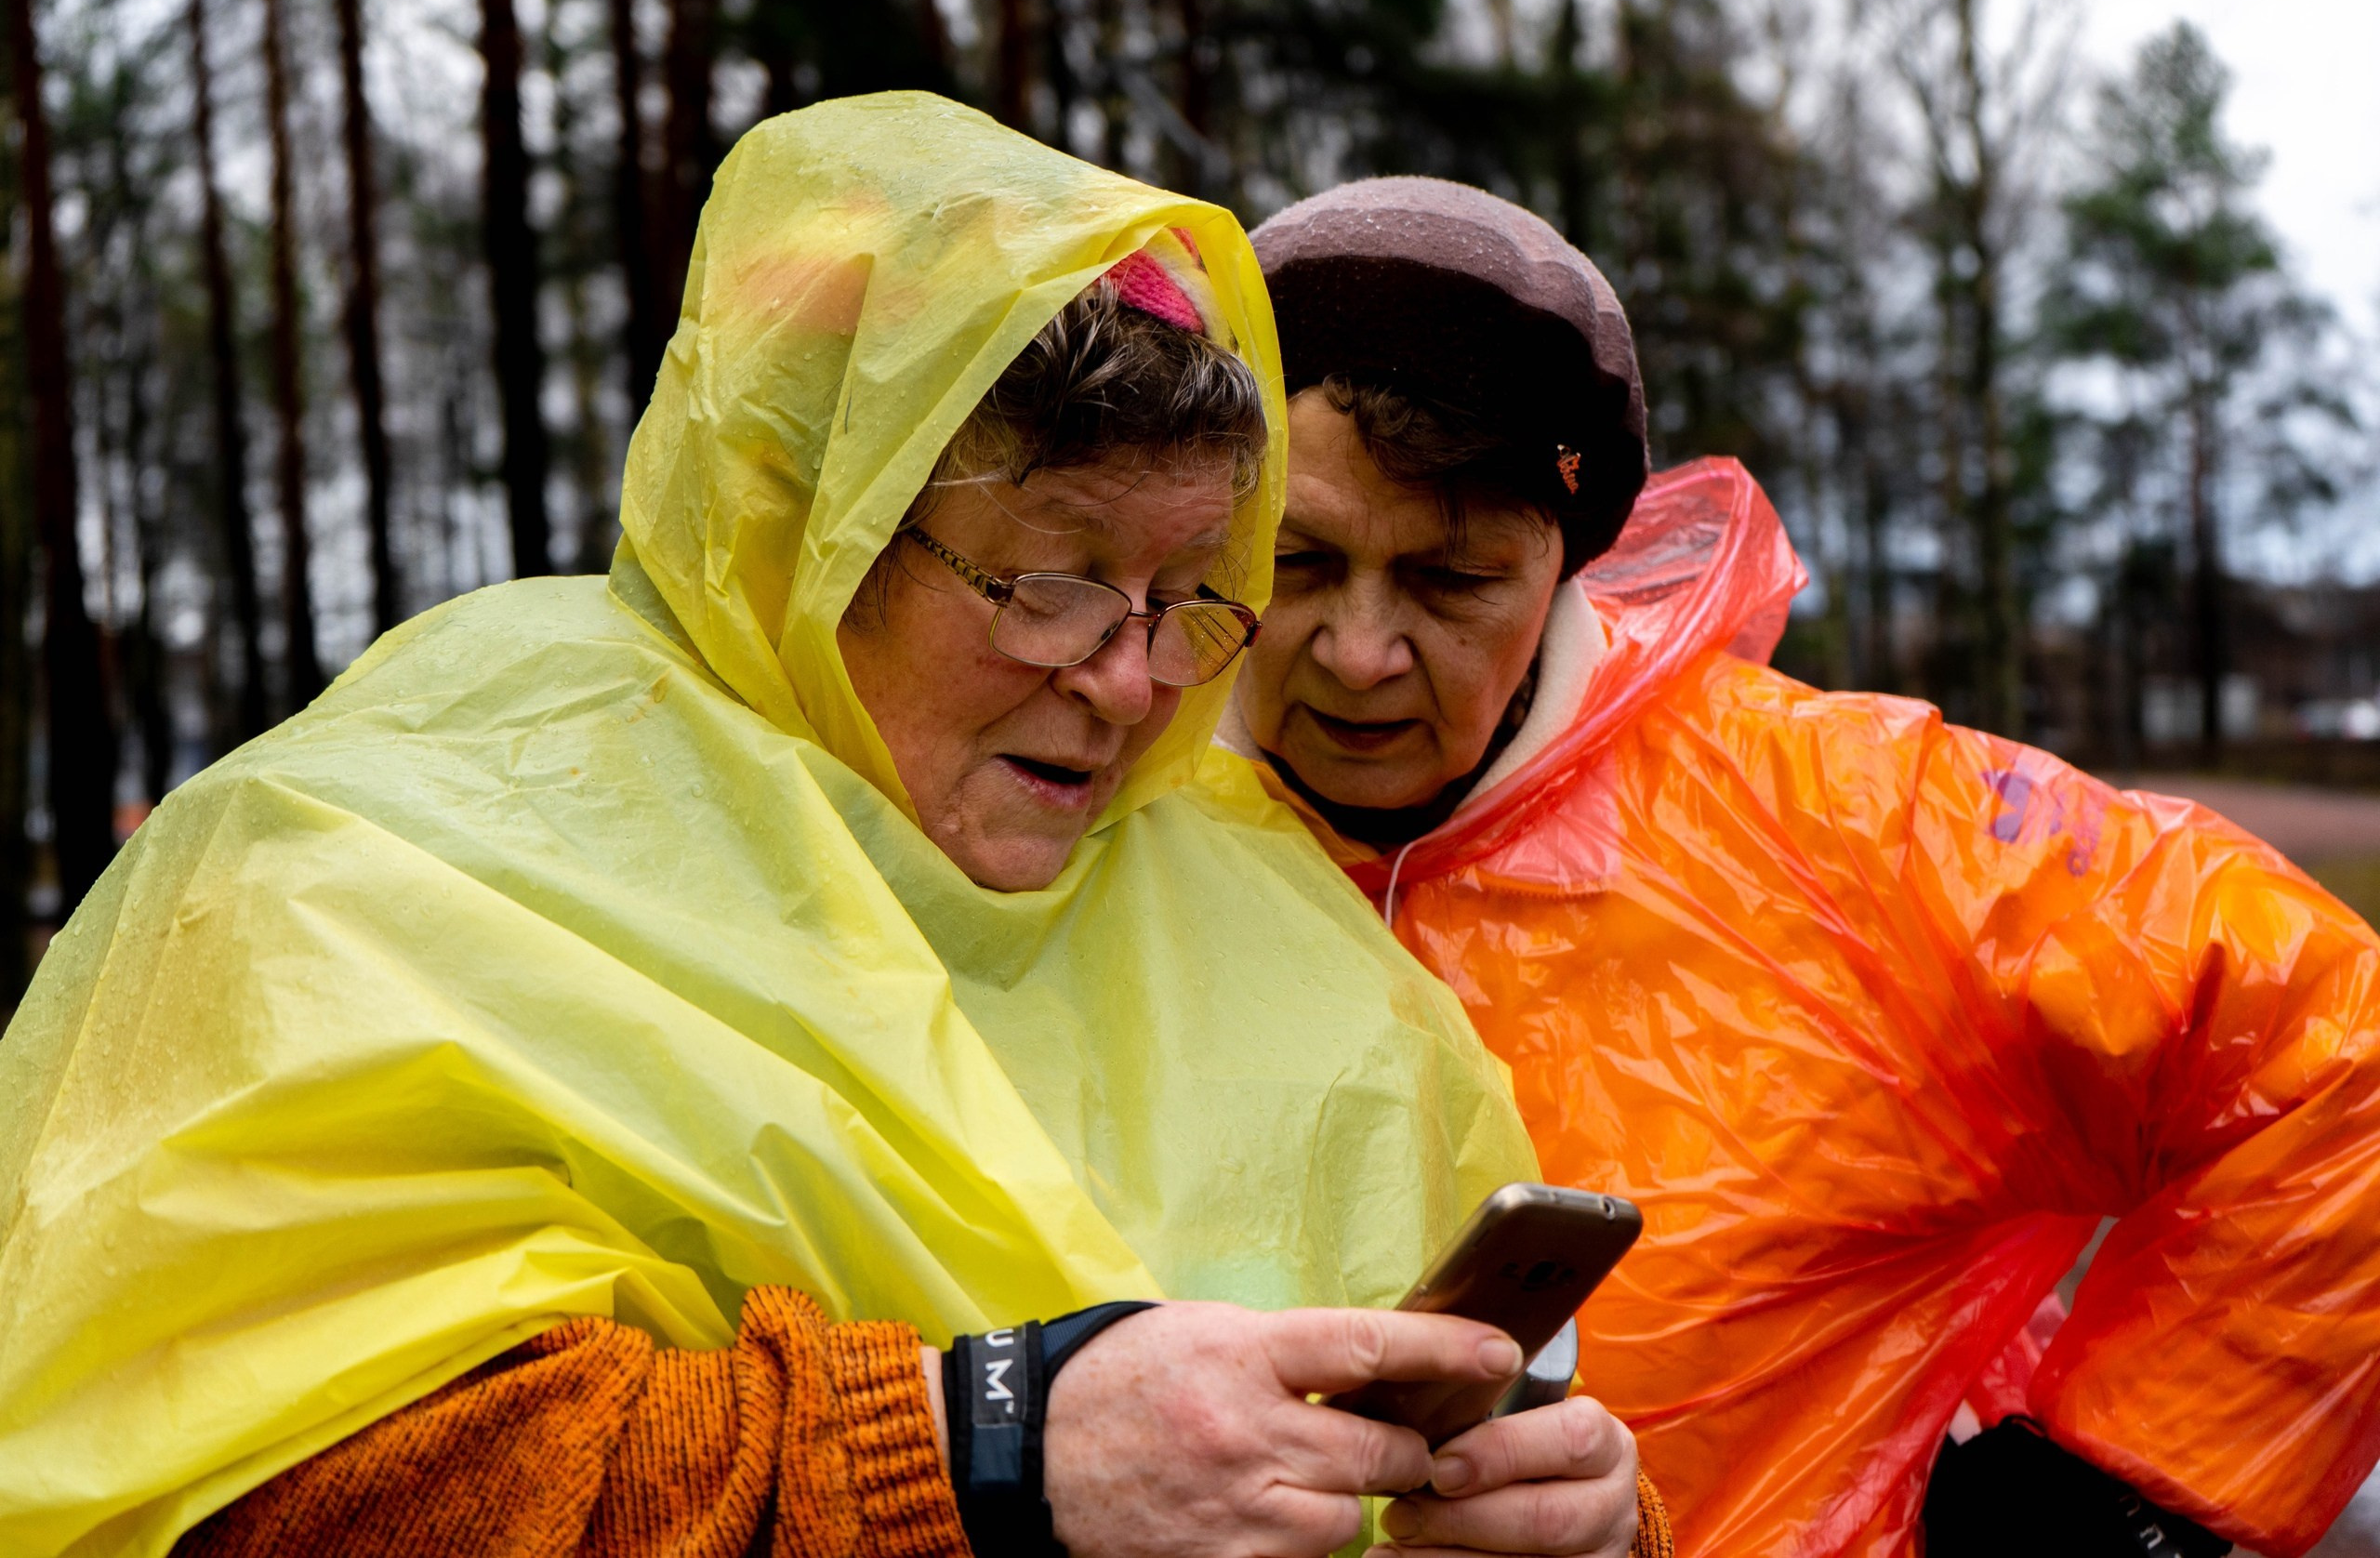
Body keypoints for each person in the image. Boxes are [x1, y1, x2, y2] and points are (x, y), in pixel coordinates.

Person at [0, 103, 1663, 1558]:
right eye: (1056, 580)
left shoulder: (1260, 903)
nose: (1131, 680)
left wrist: (1581, 1523)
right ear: (815, 531)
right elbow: (246, 1493)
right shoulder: (367, 856)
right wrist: (978, 1456)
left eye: (1187, 593)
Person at [1227, 175, 2380, 1558]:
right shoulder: (1090, 810)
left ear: (1567, 563)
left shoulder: (1840, 829)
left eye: (1453, 580)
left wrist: (2114, 1505)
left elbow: (2339, 1052)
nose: (1359, 653)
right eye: (1295, 561)